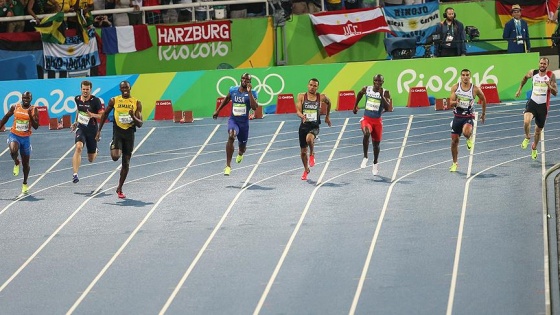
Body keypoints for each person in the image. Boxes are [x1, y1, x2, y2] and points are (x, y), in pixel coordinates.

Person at [95, 81, 143, 199]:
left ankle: (120, 188)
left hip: (129, 134)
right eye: (122, 88)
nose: (125, 89)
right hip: (118, 131)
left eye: (126, 87)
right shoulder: (114, 100)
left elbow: (140, 124)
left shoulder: (136, 102)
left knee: (126, 163)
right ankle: (113, 144)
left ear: (130, 87)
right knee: (115, 157)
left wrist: (133, 116)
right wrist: (99, 130)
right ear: (120, 89)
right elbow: (105, 114)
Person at [212, 73, 258, 176]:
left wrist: (249, 92)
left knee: (242, 147)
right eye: (243, 79)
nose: (244, 81)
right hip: (233, 120)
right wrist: (217, 110)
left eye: (247, 80)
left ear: (250, 82)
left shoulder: (253, 93)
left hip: (244, 124)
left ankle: (240, 153)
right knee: (231, 136)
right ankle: (228, 166)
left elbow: (254, 107)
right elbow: (227, 99)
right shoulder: (233, 90)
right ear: (240, 79)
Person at [515, 57, 558, 160]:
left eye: (544, 64)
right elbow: (524, 78)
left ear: (547, 65)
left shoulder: (551, 75)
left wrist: (549, 86)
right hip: (532, 103)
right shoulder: (533, 72)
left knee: (538, 131)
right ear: (539, 63)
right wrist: (519, 89)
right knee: (526, 121)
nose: (542, 65)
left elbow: (555, 93)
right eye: (541, 63)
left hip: (543, 106)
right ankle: (527, 137)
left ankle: (534, 147)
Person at [0, 91, 39, 194]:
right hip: (14, 134)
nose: (25, 99)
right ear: (22, 98)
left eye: (27, 98)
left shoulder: (34, 109)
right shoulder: (15, 107)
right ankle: (16, 162)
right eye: (24, 98)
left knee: (26, 164)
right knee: (13, 150)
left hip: (25, 138)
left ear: (31, 99)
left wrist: (30, 116)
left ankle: (25, 183)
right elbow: (6, 117)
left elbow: (36, 126)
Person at [448, 69, 487, 172]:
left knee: (466, 132)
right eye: (463, 75)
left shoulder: (475, 89)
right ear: (461, 77)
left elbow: (483, 99)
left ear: (470, 77)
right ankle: (454, 163)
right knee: (454, 141)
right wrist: (456, 102)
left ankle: (468, 138)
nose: (465, 77)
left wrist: (483, 114)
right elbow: (450, 102)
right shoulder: (455, 87)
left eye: (467, 75)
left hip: (468, 116)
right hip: (457, 116)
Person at [353, 74, 391, 176]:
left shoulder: (386, 92)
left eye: (380, 81)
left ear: (383, 82)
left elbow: (388, 108)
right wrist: (355, 106)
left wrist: (381, 95)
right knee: (366, 133)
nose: (378, 83)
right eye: (376, 80)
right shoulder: (367, 89)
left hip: (377, 122)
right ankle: (365, 157)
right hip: (367, 119)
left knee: (376, 145)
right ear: (373, 81)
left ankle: (375, 163)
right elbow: (360, 94)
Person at [296, 78, 331, 181]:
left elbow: (329, 103)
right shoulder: (301, 96)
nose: (312, 87)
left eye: (315, 86)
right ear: (308, 85)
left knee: (309, 139)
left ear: (317, 87)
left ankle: (312, 154)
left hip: (314, 126)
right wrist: (302, 116)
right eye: (311, 85)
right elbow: (297, 111)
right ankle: (306, 170)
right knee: (303, 152)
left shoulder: (322, 97)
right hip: (303, 126)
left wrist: (327, 116)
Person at [71, 80, 103, 184]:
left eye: (87, 89)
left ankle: (95, 150)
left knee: (91, 159)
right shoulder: (77, 99)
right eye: (83, 89)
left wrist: (92, 115)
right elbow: (78, 111)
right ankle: (75, 174)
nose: (85, 91)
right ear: (81, 89)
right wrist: (75, 122)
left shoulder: (95, 101)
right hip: (81, 128)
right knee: (79, 147)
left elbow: (102, 115)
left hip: (92, 130)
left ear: (90, 89)